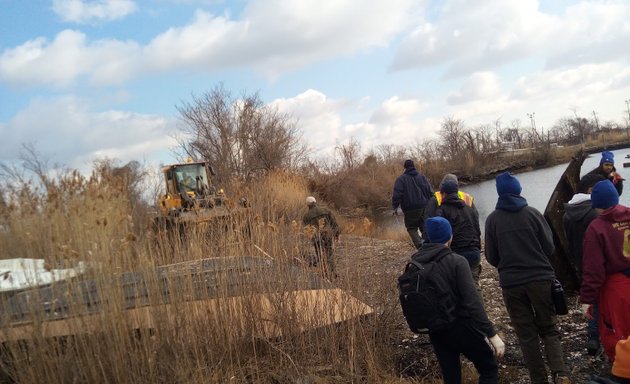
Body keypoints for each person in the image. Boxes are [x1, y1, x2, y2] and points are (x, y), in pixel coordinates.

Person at [485, 172, 571, 384]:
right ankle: (560, 374)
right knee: (549, 329)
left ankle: (538, 380)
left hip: (512, 284)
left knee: (526, 335)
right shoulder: (533, 214)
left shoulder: (492, 220)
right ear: (518, 190)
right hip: (540, 279)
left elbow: (491, 256)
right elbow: (549, 247)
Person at [418, 216, 504, 384]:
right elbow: (473, 303)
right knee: (489, 368)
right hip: (460, 326)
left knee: (451, 377)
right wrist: (491, 334)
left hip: (435, 330)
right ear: (449, 237)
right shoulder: (456, 261)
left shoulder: (416, 263)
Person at [580, 179, 630, 363]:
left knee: (616, 332)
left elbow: (593, 270)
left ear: (597, 204)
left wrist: (587, 298)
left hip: (615, 289)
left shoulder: (596, 228)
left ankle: (622, 370)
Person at [562, 173, 605, 355]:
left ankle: (593, 337)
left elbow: (568, 241)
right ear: (590, 190)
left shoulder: (567, 214)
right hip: (601, 264)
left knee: (592, 300)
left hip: (581, 263)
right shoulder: (595, 212)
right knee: (606, 299)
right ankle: (604, 338)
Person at [425, 174, 482, 286]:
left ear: (443, 193)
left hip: (455, 254)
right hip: (474, 251)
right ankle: (477, 302)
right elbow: (477, 228)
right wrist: (477, 247)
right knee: (474, 284)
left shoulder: (441, 209)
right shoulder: (469, 204)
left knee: (455, 285)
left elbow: (435, 232)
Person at [392, 159, 434, 249]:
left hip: (410, 208)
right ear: (414, 166)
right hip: (425, 206)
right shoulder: (422, 177)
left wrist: (395, 207)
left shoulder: (401, 179)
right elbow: (430, 191)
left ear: (405, 168)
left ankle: (420, 247)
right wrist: (432, 204)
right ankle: (429, 246)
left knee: (411, 228)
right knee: (425, 227)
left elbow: (397, 194)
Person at [302, 196, 341, 279]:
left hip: (316, 238)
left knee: (320, 255)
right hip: (327, 235)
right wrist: (337, 234)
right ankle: (333, 272)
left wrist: (311, 238)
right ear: (315, 202)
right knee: (330, 254)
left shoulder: (306, 216)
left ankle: (325, 273)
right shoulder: (326, 210)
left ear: (307, 205)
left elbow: (306, 230)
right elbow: (334, 223)